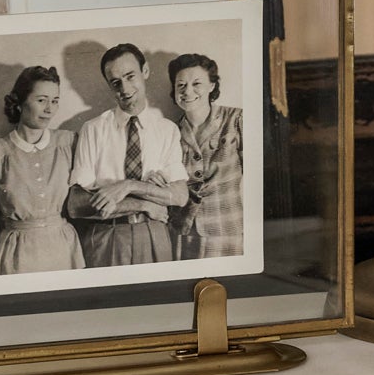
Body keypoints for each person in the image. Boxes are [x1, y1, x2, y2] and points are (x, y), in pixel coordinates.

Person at [65, 42, 188, 265]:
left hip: (154, 235)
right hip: (107, 237)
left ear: (145, 71)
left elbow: (179, 196)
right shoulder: (93, 129)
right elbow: (75, 205)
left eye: (130, 76)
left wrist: (127, 186)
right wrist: (147, 203)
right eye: (115, 82)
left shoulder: (167, 130)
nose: (125, 88)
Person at [0, 65, 83, 276]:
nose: (49, 109)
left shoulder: (69, 142)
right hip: (17, 255)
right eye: (41, 100)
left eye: (55, 100)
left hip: (64, 251)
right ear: (20, 103)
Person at [169, 51, 243, 259]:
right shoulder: (170, 132)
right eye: (180, 85)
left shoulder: (236, 119)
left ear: (212, 86)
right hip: (184, 233)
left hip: (227, 230)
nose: (187, 91)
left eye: (196, 83)